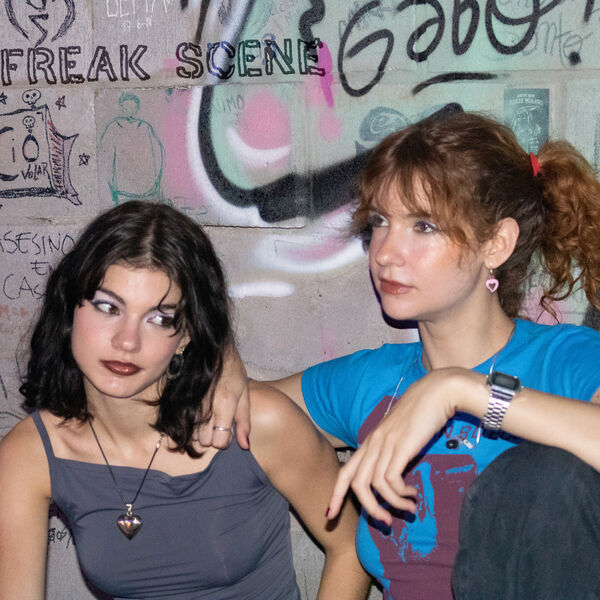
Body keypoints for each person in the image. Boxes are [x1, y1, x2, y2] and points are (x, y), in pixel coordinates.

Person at [219, 109, 600, 599]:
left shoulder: (563, 359)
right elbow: (232, 409)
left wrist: (458, 390)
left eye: (423, 226)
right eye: (380, 222)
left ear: (496, 244)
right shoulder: (375, 380)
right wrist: (223, 361)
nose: (384, 252)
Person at [0, 201, 369, 600]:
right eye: (108, 307)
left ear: (186, 335)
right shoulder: (31, 453)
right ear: (70, 307)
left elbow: (350, 548)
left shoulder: (257, 423)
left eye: (159, 319)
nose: (127, 341)